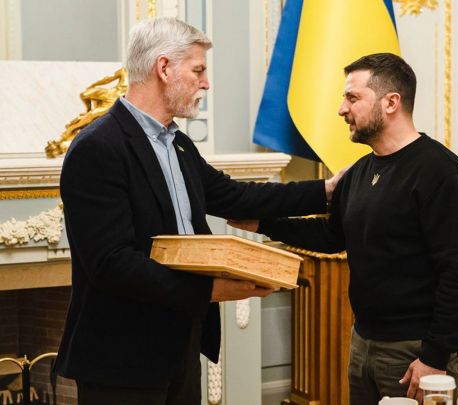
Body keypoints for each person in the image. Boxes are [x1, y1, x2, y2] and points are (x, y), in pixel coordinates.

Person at [54, 17, 344, 405]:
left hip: (179, 347)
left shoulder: (179, 144)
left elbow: (237, 197)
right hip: (120, 360)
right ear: (163, 68)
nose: (206, 83)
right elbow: (111, 264)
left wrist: (325, 192)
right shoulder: (97, 148)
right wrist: (211, 290)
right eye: (198, 70)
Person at [228, 53, 458, 405]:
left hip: (415, 351)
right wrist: (264, 223)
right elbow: (334, 236)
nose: (341, 109)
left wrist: (434, 357)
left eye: (352, 97)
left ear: (391, 102)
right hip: (363, 341)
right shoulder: (360, 171)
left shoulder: (441, 172)